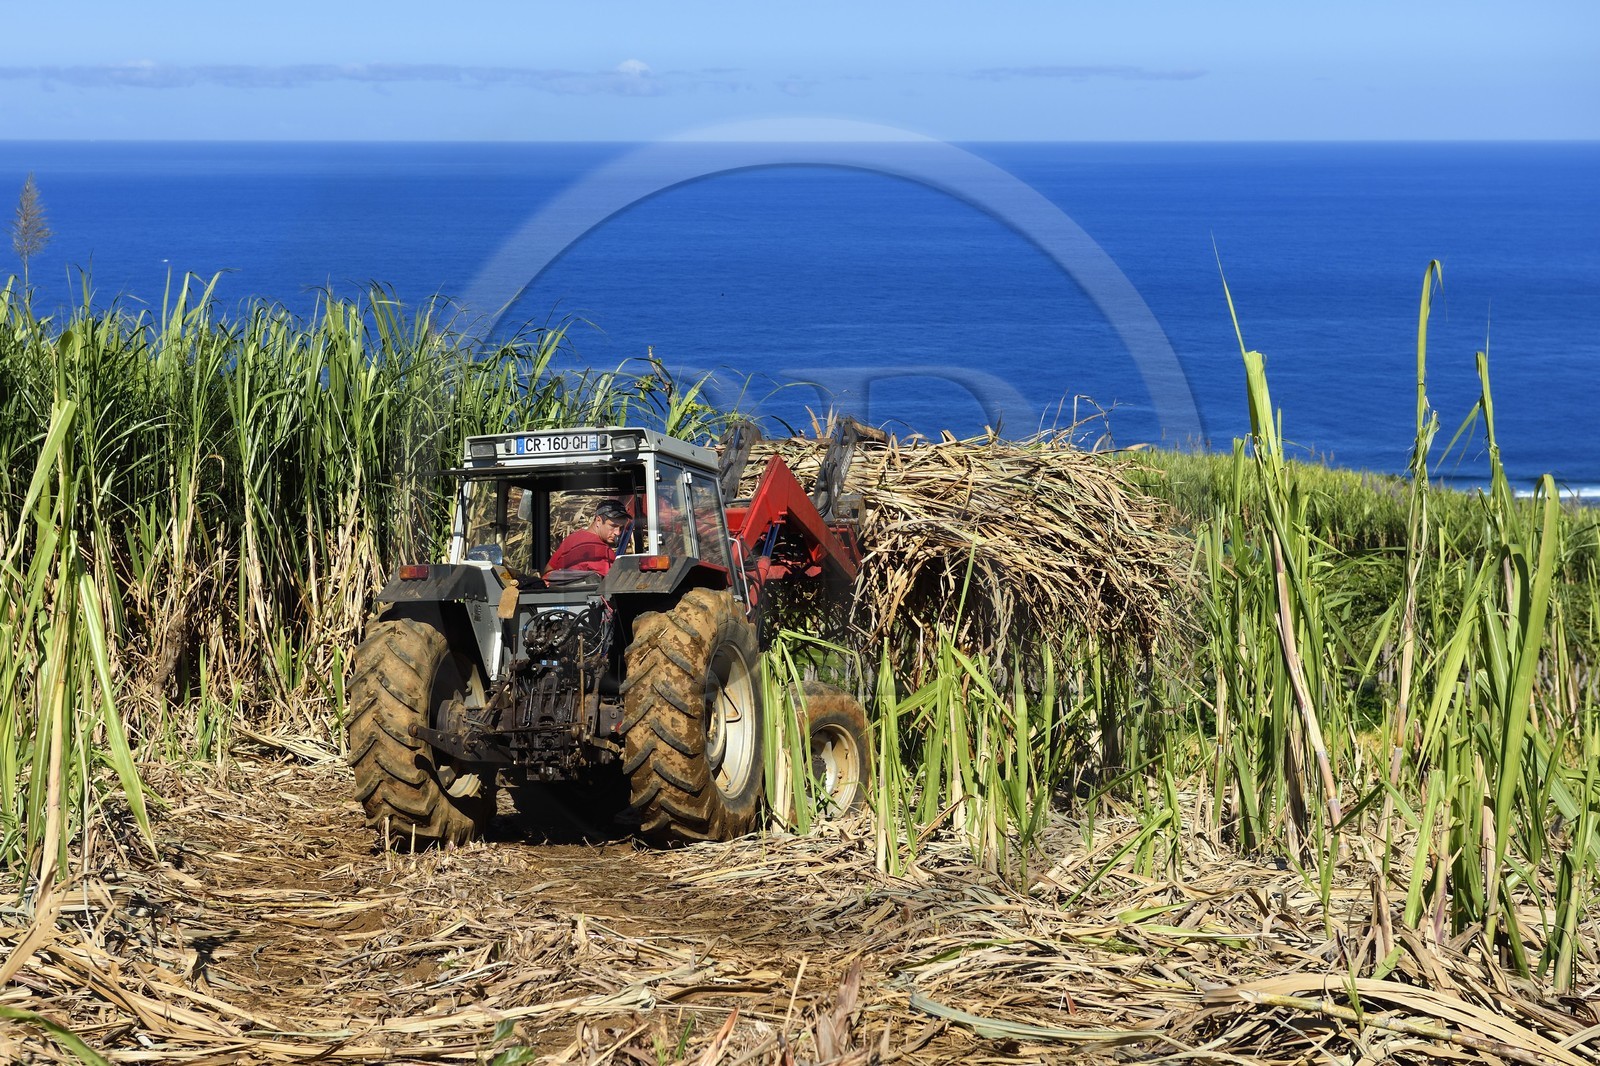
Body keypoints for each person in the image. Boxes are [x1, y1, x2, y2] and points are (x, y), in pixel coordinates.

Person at [545, 499, 630, 577]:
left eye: (621, 528)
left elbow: (547, 571)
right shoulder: (604, 552)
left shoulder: (570, 539)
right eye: (613, 526)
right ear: (598, 521)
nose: (618, 533)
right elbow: (613, 582)